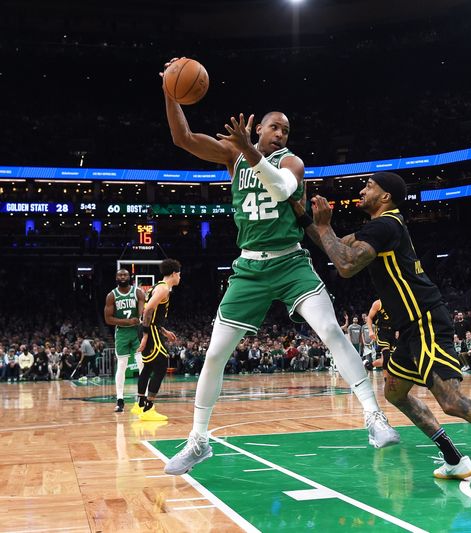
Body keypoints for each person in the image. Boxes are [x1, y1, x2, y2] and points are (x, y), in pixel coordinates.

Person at [159, 58, 398, 476]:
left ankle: (373, 417)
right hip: (249, 268)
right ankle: (198, 441)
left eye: (286, 130)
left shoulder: (292, 163)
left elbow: (283, 187)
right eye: (275, 127)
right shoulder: (233, 154)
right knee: (214, 355)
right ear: (258, 129)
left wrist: (250, 151)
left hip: (291, 262)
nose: (281, 133)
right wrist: (167, 89)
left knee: (330, 331)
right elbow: (182, 137)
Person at [298, 172, 471, 506]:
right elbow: (332, 245)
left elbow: (345, 264)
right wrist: (301, 212)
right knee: (395, 392)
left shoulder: (386, 226)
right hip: (409, 329)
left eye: (369, 186)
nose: (362, 190)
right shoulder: (377, 228)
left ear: (385, 197)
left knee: (452, 401)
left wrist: (323, 226)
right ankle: (454, 458)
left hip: (426, 322)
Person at [135, 259, 181, 422]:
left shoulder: (157, 286)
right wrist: (147, 335)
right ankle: (148, 408)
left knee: (148, 366)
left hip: (151, 328)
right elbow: (147, 310)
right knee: (161, 365)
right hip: (149, 330)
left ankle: (140, 403)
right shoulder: (163, 289)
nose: (180, 277)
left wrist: (163, 330)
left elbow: (152, 316)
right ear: (174, 274)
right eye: (179, 274)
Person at [104, 269, 146, 413]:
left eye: (125, 275)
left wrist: (140, 319)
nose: (123, 277)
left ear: (130, 277)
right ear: (116, 278)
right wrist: (127, 322)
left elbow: (142, 312)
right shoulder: (111, 296)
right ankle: (120, 400)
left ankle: (143, 397)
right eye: (120, 275)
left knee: (141, 363)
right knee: (122, 366)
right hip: (122, 333)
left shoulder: (138, 292)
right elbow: (108, 319)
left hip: (136, 332)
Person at [365, 299, 394, 369]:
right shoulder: (378, 303)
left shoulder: (396, 302)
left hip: (393, 331)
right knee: (386, 357)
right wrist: (370, 331)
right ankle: (386, 379)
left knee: (389, 359)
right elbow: (369, 317)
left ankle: (369, 365)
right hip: (382, 331)